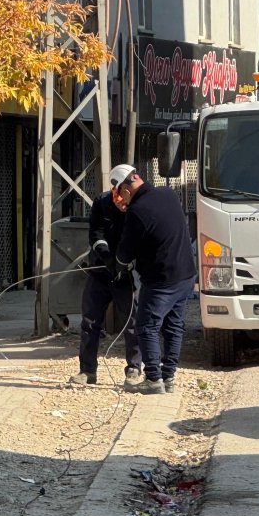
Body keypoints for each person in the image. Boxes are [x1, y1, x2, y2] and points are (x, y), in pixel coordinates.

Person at [110, 164, 198, 395]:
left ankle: (153, 379)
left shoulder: (137, 212)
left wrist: (118, 267)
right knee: (174, 325)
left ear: (126, 190)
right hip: (186, 274)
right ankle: (168, 377)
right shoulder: (168, 194)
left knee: (147, 325)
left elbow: (125, 251)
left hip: (162, 279)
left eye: (122, 195)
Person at [71, 188, 142, 386]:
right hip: (100, 271)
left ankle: (134, 368)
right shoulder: (101, 202)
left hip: (126, 274)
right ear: (115, 189)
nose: (122, 203)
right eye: (118, 198)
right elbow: (95, 233)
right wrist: (107, 256)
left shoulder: (138, 204)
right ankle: (87, 371)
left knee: (132, 321)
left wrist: (125, 261)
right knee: (90, 322)